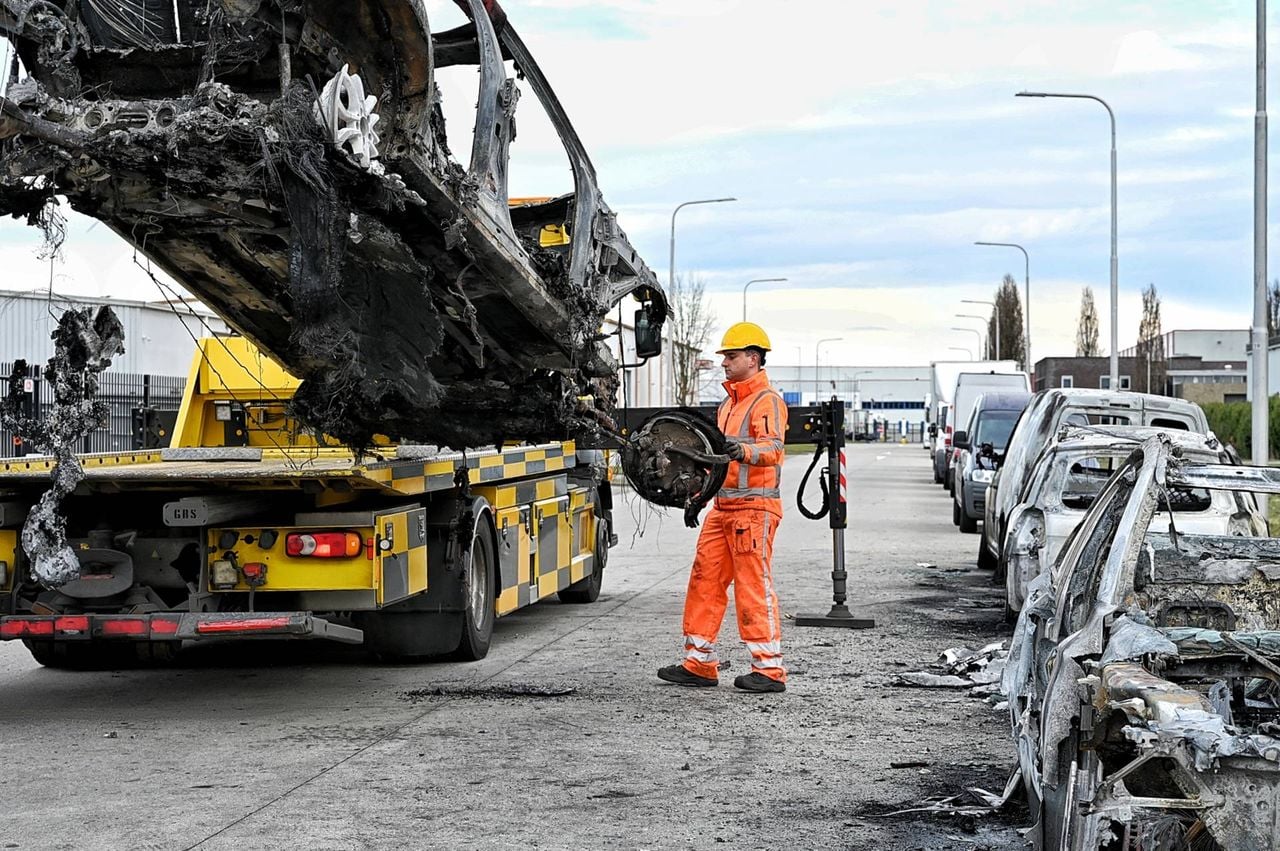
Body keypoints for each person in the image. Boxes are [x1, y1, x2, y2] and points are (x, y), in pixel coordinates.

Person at [658, 322, 789, 693]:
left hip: (754, 510)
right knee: (704, 580)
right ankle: (698, 663)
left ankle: (769, 670)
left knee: (752, 585)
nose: (725, 363)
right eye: (725, 357)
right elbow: (709, 460)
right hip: (724, 508)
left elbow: (774, 449)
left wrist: (742, 451)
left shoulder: (767, 401)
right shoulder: (729, 404)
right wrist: (696, 498)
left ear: (753, 357)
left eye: (731, 356)